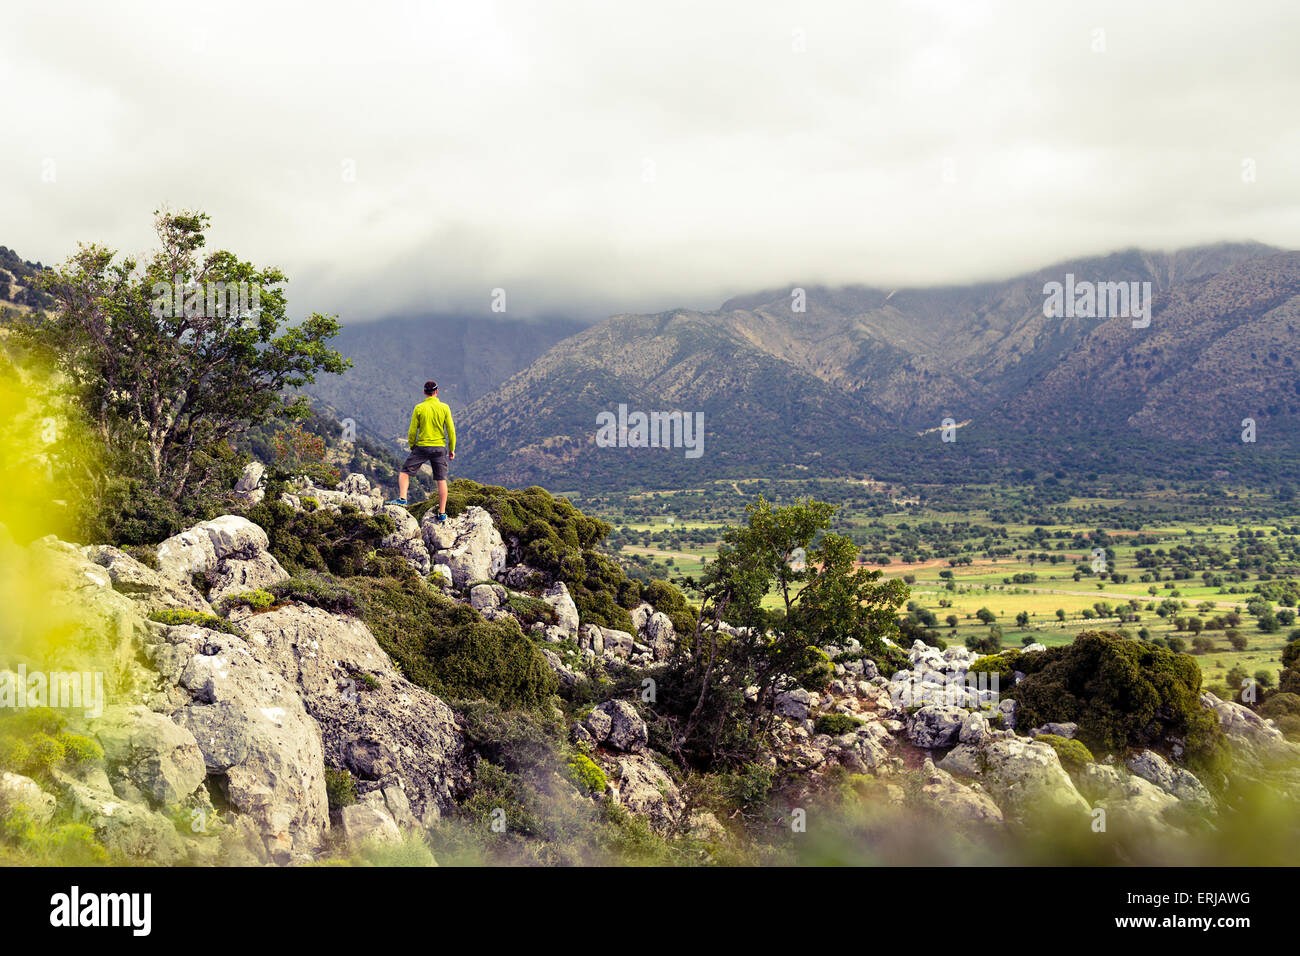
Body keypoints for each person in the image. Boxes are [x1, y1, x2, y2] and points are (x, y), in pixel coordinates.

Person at [387, 380, 455, 518]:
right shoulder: (445, 407)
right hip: (439, 448)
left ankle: (402, 499)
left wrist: (413, 446)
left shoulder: (419, 408)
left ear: (424, 392)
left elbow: (412, 431)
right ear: (436, 392)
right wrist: (451, 449)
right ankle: (442, 512)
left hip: (422, 447)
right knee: (441, 480)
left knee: (405, 472)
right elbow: (451, 431)